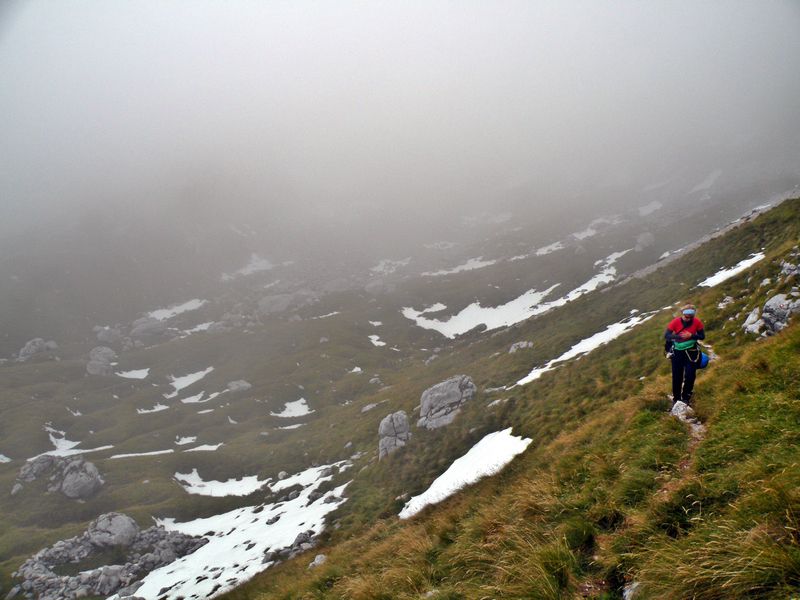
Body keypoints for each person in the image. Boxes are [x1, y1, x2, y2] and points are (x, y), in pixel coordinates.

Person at [664, 304, 705, 405]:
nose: (688, 319)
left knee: (690, 375)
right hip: (677, 352)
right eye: (686, 317)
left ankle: (686, 397)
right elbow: (667, 335)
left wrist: (691, 335)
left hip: (692, 351)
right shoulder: (675, 322)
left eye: (691, 317)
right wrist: (678, 337)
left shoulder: (697, 322)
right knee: (677, 376)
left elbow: (702, 336)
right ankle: (676, 399)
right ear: (682, 314)